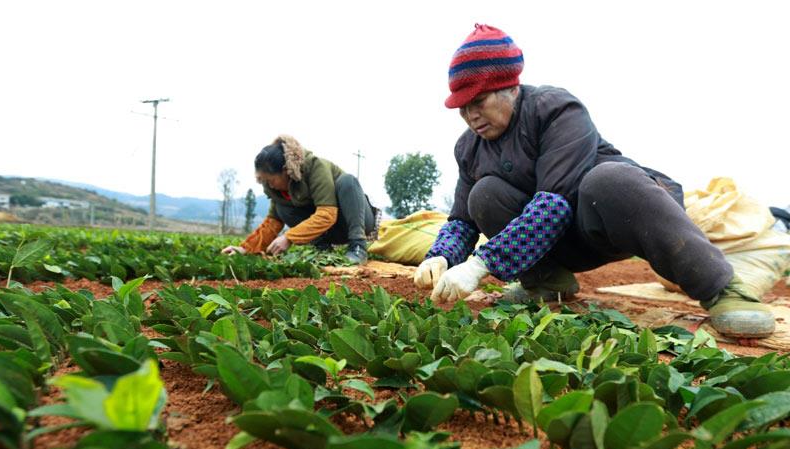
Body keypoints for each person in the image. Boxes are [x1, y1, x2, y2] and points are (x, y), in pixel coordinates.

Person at [414, 24, 775, 338]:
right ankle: (548, 283)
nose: (470, 115)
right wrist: (441, 256)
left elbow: (553, 205)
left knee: (609, 178)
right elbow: (462, 218)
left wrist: (480, 264)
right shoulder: (469, 148)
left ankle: (723, 289)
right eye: (461, 107)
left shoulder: (554, 109)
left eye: (478, 100)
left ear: (510, 87)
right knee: (484, 194)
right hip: (550, 247)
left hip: (603, 223)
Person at [221, 135, 379, 264]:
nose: (269, 186)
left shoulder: (316, 167)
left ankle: (358, 247)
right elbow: (272, 222)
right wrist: (244, 249)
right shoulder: (278, 190)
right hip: (332, 232)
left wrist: (289, 237)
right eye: (264, 182)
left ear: (285, 171)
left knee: (347, 181)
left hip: (356, 220)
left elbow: (327, 214)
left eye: (270, 180)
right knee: (282, 209)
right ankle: (323, 249)